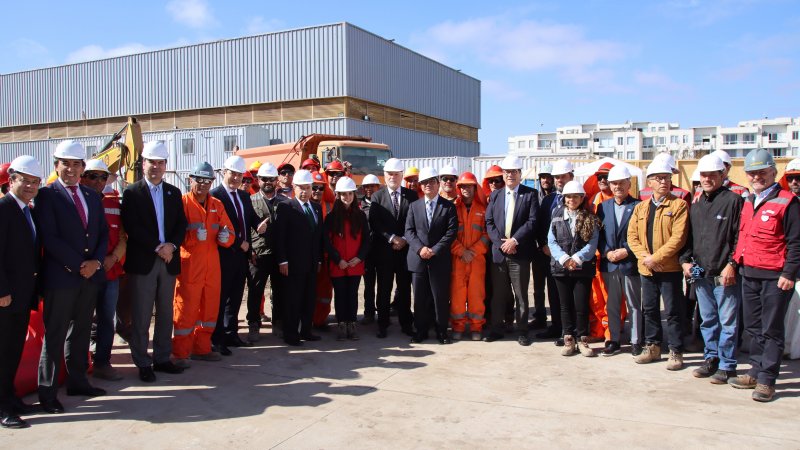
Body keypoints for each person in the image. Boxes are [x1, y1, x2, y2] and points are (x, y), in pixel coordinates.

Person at [34, 140, 109, 412]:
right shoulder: (47, 195)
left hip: (88, 277)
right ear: (57, 165)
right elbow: (50, 237)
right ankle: (48, 392)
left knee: (79, 333)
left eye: (76, 164)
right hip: (62, 277)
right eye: (66, 163)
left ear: (82, 167)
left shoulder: (90, 196)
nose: (71, 169)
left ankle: (78, 381)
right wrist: (80, 264)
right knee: (54, 335)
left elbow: (102, 234)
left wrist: (96, 262)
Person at [730, 148, 800, 402]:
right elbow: (743, 235)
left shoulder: (788, 202)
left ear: (773, 172)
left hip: (775, 276)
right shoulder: (750, 200)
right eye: (752, 173)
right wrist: (736, 264)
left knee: (772, 330)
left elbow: (795, 242)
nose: (756, 177)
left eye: (762, 172)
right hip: (750, 272)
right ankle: (755, 370)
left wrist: (789, 272)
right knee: (754, 326)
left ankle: (767, 380)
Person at [121, 140, 188, 382]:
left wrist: (172, 245)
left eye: (160, 163)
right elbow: (132, 226)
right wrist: (158, 247)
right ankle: (142, 361)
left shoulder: (173, 192)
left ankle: (162, 357)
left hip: (169, 259)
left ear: (165, 166)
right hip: (144, 260)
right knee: (141, 314)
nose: (156, 167)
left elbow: (181, 224)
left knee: (165, 312)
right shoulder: (132, 192)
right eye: (152, 162)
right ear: (143, 164)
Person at [679, 155, 744, 384]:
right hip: (700, 272)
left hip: (724, 272)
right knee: (707, 319)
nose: (706, 179)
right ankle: (711, 359)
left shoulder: (734, 202)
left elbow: (739, 237)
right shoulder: (696, 205)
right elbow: (690, 239)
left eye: (711, 175)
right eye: (703, 175)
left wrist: (732, 265)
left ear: (722, 175)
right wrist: (685, 261)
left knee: (728, 321)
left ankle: (727, 366)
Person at [172, 162, 235, 368]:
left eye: (207, 181)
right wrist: (192, 237)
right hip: (190, 264)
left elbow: (230, 232)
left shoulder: (217, 204)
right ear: (191, 180)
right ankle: (181, 352)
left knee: (209, 309)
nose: (202, 184)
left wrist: (225, 237)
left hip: (211, 266)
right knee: (186, 308)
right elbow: (174, 235)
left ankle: (202, 348)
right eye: (198, 180)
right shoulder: (182, 203)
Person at [628, 160, 689, 370]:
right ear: (650, 182)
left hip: (669, 268)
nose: (664, 182)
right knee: (650, 309)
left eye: (667, 178)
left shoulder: (678, 205)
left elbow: (678, 238)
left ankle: (675, 350)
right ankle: (652, 346)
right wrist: (646, 258)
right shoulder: (641, 207)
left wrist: (657, 258)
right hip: (647, 268)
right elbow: (632, 236)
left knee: (673, 310)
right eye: (659, 178)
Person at [0, 156, 42, 428]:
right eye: (24, 180)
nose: (29, 185)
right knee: (3, 351)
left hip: (21, 294)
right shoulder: (4, 209)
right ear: (11, 179)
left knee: (14, 349)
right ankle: (3, 408)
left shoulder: (27, 210)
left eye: (34, 182)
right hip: (6, 296)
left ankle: (10, 397)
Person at [79, 159, 127, 381]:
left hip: (109, 272)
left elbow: (122, 237)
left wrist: (114, 257)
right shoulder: (76, 202)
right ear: (82, 176)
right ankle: (77, 364)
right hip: (84, 274)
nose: (98, 181)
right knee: (81, 320)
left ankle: (102, 362)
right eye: (92, 176)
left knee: (107, 319)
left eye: (102, 177)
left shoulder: (113, 203)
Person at [484, 155, 539, 346]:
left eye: (514, 172)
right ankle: (497, 328)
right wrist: (501, 244)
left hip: (520, 253)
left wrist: (514, 240)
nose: (510, 175)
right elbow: (489, 223)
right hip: (499, 253)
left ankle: (522, 330)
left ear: (519, 174)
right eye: (507, 172)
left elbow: (532, 222)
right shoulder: (496, 195)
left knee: (520, 294)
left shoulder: (530, 194)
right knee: (498, 294)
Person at [211, 155, 260, 352]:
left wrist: (259, 225)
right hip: (225, 254)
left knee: (236, 296)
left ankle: (232, 333)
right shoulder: (215, 195)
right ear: (224, 172)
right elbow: (218, 228)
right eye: (232, 173)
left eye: (239, 175)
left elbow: (250, 219)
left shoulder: (244, 196)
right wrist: (240, 243)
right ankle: (218, 338)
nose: (236, 178)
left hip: (242, 255)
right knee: (221, 298)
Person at [405, 167, 458, 344]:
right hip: (418, 260)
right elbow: (409, 231)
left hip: (439, 260)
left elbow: (451, 232)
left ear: (437, 183)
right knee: (419, 298)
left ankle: (441, 331)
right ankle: (420, 330)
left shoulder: (448, 207)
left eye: (431, 182)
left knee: (440, 298)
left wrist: (434, 249)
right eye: (424, 183)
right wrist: (421, 249)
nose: (427, 185)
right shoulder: (414, 206)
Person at [548, 181, 600, 357]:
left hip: (582, 268)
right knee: (565, 305)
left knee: (581, 305)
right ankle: (568, 338)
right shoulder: (556, 214)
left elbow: (593, 243)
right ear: (564, 198)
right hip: (561, 268)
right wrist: (564, 259)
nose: (572, 199)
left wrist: (576, 259)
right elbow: (551, 240)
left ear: (582, 198)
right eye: (569, 196)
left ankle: (582, 338)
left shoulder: (589, 217)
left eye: (576, 196)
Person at [273, 170, 324, 346]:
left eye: (307, 188)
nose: (304, 191)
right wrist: (282, 260)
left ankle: (306, 331)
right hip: (293, 264)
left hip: (311, 263)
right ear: (294, 187)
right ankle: (291, 334)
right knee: (293, 300)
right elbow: (280, 237)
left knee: (309, 299)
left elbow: (318, 237)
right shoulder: (286, 207)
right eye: (301, 188)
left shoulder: (316, 208)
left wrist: (318, 259)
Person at [369, 158, 418, 338]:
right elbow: (375, 222)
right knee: (383, 289)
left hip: (405, 251)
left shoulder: (411, 196)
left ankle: (406, 323)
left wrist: (404, 238)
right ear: (384, 175)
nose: (393, 177)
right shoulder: (377, 197)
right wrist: (391, 238)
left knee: (405, 289)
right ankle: (382, 323)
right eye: (389, 174)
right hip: (384, 251)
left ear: (401, 176)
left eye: (396, 174)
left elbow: (413, 221)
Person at [597, 166, 642, 357]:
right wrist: (607, 253)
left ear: (629, 184)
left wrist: (627, 251)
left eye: (621, 183)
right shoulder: (603, 207)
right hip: (610, 263)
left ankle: (636, 341)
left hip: (629, 263)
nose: (617, 187)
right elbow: (597, 235)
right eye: (614, 183)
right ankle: (613, 339)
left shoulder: (639, 206)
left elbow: (642, 236)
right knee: (612, 304)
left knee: (634, 304)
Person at [324, 177, 370, 340]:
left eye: (349, 194)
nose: (347, 197)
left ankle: (352, 323)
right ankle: (342, 324)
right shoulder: (331, 217)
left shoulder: (361, 216)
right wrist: (338, 260)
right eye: (343, 195)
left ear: (354, 195)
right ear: (338, 195)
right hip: (339, 265)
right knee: (340, 294)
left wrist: (359, 258)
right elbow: (327, 242)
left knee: (352, 294)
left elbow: (366, 240)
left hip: (355, 264)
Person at [249, 162, 288, 341]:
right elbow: (246, 228)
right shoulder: (250, 201)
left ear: (276, 181)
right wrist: (250, 251)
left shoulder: (284, 203)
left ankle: (278, 323)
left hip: (279, 255)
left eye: (271, 179)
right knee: (255, 291)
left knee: (279, 290)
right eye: (264, 179)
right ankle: (254, 324)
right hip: (258, 255)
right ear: (259, 180)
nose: (268, 182)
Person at [536, 159, 574, 343]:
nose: (559, 180)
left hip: (571, 255)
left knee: (569, 295)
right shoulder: (549, 200)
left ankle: (569, 330)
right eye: (556, 177)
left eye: (563, 176)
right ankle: (557, 326)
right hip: (550, 254)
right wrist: (544, 244)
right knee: (553, 292)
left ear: (571, 176)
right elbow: (541, 224)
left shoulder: (577, 197)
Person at [450, 172, 490, 341]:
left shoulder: (483, 209)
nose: (466, 189)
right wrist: (461, 251)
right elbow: (448, 234)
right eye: (463, 186)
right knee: (457, 295)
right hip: (458, 259)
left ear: (475, 188)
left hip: (476, 259)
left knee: (476, 294)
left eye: (469, 186)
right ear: (458, 188)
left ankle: (476, 327)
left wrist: (472, 251)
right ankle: (458, 326)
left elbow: (487, 234)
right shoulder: (452, 208)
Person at [529, 163, 557, 331]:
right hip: (539, 249)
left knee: (554, 287)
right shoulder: (534, 196)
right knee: (538, 287)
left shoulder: (559, 197)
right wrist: (541, 244)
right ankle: (539, 316)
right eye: (543, 177)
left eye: (548, 177)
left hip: (555, 251)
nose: (546, 180)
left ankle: (556, 320)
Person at [311, 170, 335, 328]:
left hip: (327, 256)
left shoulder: (330, 206)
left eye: (321, 188)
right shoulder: (301, 206)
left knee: (325, 291)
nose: (317, 191)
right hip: (310, 255)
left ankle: (320, 320)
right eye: (314, 187)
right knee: (308, 289)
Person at [359, 174, 381, 324]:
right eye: (366, 186)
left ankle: (382, 311)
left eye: (372, 186)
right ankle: (369, 312)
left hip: (382, 250)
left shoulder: (384, 204)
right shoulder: (359, 206)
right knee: (369, 284)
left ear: (378, 187)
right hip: (366, 251)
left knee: (384, 283)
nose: (369, 189)